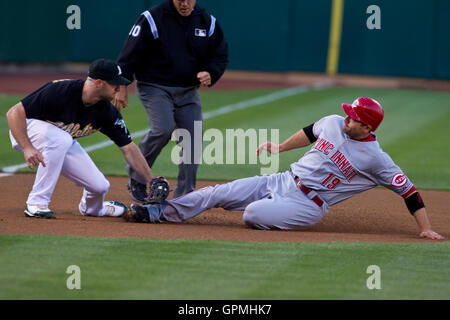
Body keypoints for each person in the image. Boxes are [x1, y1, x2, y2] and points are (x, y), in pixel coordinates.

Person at [124, 97, 445, 240]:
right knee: (218, 192)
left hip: (308, 204)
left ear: (366, 126)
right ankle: (157, 213)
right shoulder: (334, 123)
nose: (346, 118)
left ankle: (267, 209)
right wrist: (279, 148)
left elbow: (410, 191)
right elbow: (309, 132)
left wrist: (423, 228)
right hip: (282, 180)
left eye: (353, 118)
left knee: (252, 215)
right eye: (347, 115)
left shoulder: (377, 159)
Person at [6, 59, 154, 218]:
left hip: (58, 140)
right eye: (114, 83)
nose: (119, 88)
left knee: (99, 186)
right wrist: (27, 147)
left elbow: (129, 149)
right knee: (62, 139)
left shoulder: (106, 112)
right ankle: (36, 203)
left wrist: (151, 181)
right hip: (26, 130)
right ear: (98, 82)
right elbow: (14, 113)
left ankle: (95, 209)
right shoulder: (60, 91)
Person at [114, 0, 229, 202]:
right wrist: (122, 86)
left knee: (192, 140)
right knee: (163, 128)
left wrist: (211, 72)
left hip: (188, 91)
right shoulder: (152, 18)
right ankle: (138, 177)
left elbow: (219, 55)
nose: (184, 3)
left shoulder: (207, 21)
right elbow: (129, 53)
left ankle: (184, 196)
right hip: (154, 86)